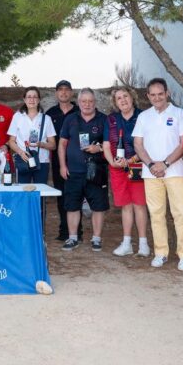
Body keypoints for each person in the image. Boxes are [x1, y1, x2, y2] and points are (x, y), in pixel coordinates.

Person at [132, 78, 183, 271]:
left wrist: (165, 163)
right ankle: (161, 253)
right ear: (148, 96)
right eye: (153, 94)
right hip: (151, 174)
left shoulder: (179, 114)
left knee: (180, 213)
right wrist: (151, 164)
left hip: (175, 172)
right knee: (156, 214)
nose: (157, 97)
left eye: (161, 93)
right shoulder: (143, 116)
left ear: (167, 93)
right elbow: (138, 144)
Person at [58, 88, 108, 251]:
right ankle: (72, 238)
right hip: (73, 171)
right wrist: (62, 166)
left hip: (96, 171)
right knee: (72, 205)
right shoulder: (70, 119)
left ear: (95, 102)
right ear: (78, 102)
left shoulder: (104, 120)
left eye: (90, 101)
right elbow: (62, 144)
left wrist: (98, 149)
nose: (87, 104)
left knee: (98, 206)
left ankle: (97, 238)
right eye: (83, 101)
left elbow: (111, 145)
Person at [101, 87, 150, 257]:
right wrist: (112, 162)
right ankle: (127, 242)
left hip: (138, 167)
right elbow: (106, 145)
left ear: (132, 97)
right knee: (126, 206)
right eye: (119, 98)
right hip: (118, 169)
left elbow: (147, 144)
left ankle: (143, 244)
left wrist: (132, 160)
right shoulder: (111, 119)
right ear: (115, 102)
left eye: (125, 96)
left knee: (140, 205)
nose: (123, 100)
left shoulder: (143, 116)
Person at [45, 80, 81, 241]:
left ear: (71, 92)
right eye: (60, 90)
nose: (64, 93)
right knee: (62, 195)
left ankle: (77, 232)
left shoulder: (80, 111)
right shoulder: (50, 114)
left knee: (77, 195)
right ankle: (64, 230)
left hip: (78, 160)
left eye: (67, 89)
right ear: (56, 93)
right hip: (58, 161)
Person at [7, 87, 56, 184]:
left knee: (40, 194)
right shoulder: (17, 117)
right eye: (29, 97)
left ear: (39, 100)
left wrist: (41, 144)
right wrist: (21, 153)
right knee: (23, 193)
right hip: (23, 160)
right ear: (24, 99)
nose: (32, 100)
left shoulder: (46, 119)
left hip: (42, 161)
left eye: (35, 97)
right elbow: (11, 141)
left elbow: (53, 145)